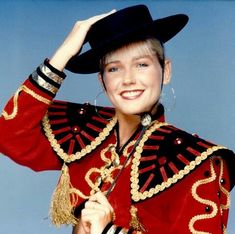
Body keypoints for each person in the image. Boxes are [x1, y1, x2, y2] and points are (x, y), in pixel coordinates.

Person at [0, 4, 234, 234]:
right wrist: (63, 54)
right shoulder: (82, 131)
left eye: (142, 64)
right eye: (114, 69)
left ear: (166, 71)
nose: (128, 79)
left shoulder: (197, 162)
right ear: (102, 81)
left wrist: (108, 231)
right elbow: (8, 134)